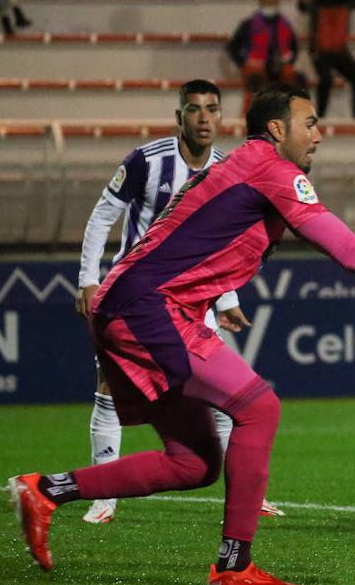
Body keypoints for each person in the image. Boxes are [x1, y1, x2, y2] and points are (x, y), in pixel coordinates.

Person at [10, 84, 355, 585]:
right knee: (259, 406)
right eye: (309, 123)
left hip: (140, 304)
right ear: (277, 128)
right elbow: (344, 248)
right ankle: (233, 568)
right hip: (148, 307)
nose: (318, 135)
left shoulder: (250, 166)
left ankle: (46, 490)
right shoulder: (271, 169)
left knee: (194, 463)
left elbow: (327, 246)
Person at [75, 80, 283, 523]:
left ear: (222, 116)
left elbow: (221, 245)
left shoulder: (230, 167)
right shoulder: (146, 162)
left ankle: (245, 493)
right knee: (109, 389)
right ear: (179, 117)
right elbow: (102, 217)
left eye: (211, 109)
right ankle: (103, 497)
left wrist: (227, 298)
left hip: (196, 301)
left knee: (233, 397)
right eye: (194, 109)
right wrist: (87, 280)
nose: (203, 118)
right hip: (135, 301)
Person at [302, 0, 355, 119]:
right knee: (326, 80)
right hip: (321, 49)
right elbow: (304, 5)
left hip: (340, 49)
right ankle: (320, 117)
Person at [227, 0, 303, 116]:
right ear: (260, 3)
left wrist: (288, 62)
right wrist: (242, 65)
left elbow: (294, 47)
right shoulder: (249, 24)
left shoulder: (285, 24)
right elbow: (233, 47)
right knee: (255, 82)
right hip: (256, 66)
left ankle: (292, 117)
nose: (270, 6)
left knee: (293, 79)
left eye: (272, 2)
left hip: (280, 65)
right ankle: (249, 119)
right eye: (267, 3)